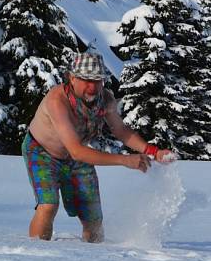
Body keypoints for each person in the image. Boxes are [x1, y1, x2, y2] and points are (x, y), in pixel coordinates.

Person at [22, 52, 174, 243]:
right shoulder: (57, 101)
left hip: (77, 156)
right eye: (86, 80)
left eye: (98, 80)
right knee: (48, 205)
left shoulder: (106, 99)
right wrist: (125, 160)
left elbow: (120, 130)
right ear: (72, 78)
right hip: (42, 153)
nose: (92, 87)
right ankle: (33, 256)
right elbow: (76, 150)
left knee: (93, 220)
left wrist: (153, 151)